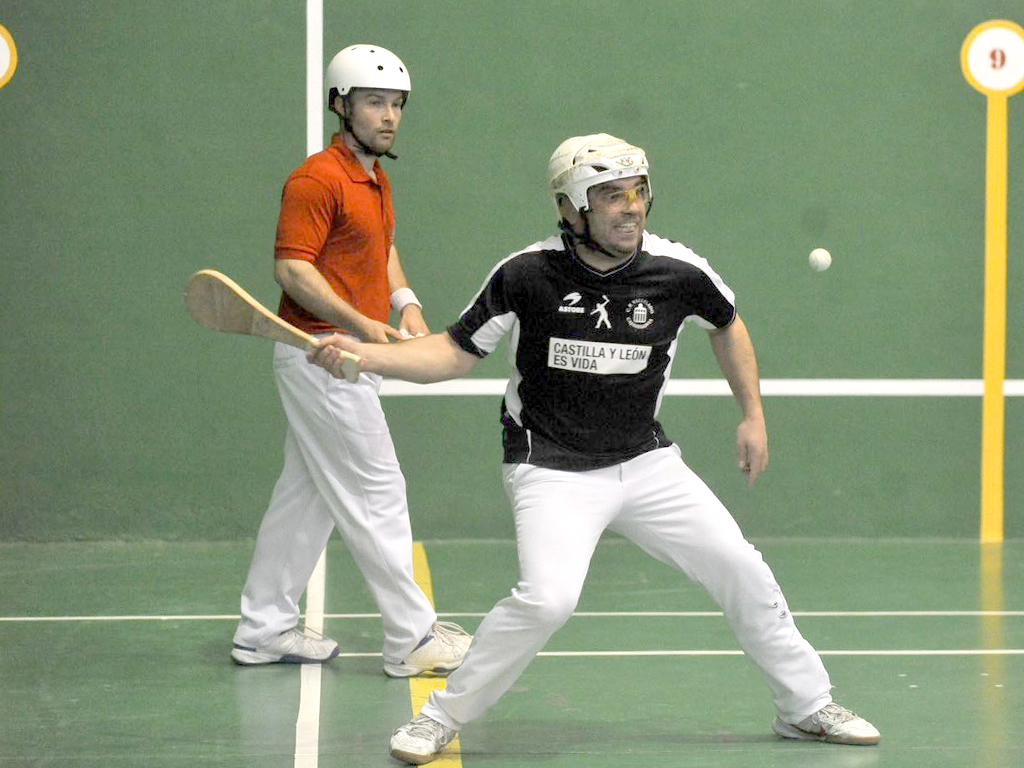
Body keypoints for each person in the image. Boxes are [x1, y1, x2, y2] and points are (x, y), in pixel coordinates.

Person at [310, 133, 881, 763]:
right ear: (571, 209)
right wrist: (366, 358)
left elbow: (726, 323)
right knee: (549, 598)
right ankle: (441, 716)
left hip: (644, 462)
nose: (629, 208)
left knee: (741, 566)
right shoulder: (524, 274)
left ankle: (806, 707)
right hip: (548, 467)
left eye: (636, 193)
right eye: (610, 196)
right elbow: (451, 352)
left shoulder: (678, 271)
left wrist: (753, 414)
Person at [230, 44, 472, 677]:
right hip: (322, 357)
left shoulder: (374, 177)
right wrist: (362, 324)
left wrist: (404, 302)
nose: (389, 116)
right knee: (377, 493)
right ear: (341, 105)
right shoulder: (317, 178)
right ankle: (413, 639)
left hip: (343, 356)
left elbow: (381, 246)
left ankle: (263, 628)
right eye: (374, 102)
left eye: (396, 104)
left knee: (303, 499)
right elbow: (292, 268)